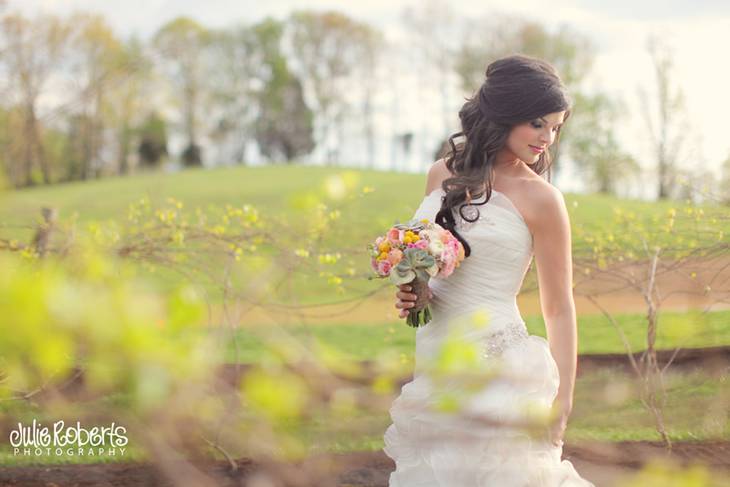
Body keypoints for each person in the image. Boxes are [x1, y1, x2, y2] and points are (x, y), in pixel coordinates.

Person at [383, 54, 595, 486]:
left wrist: (564, 400)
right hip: (438, 354)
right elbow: (436, 262)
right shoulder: (440, 174)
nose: (547, 139)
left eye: (556, 127)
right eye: (539, 123)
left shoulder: (542, 200)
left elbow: (558, 308)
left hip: (500, 362)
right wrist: (414, 290)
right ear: (505, 113)